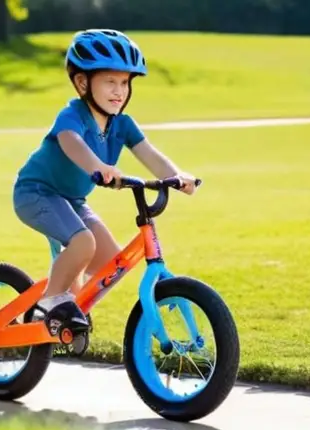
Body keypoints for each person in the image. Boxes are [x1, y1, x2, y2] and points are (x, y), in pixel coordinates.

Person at [12, 29, 199, 336]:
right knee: (83, 242)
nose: (119, 91)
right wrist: (98, 166)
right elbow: (70, 141)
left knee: (112, 264)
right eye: (110, 81)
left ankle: (69, 307)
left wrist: (176, 176)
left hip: (73, 201)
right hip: (36, 193)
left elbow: (149, 154)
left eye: (125, 82)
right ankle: (48, 308)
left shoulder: (122, 125)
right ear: (83, 83)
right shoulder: (73, 115)